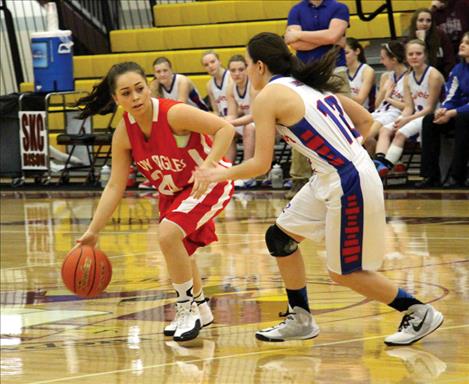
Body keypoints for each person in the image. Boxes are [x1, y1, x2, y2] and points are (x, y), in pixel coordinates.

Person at [193, 32, 444, 345]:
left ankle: (418, 311)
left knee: (344, 273)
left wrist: (215, 173)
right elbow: (366, 123)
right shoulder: (308, 87)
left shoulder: (268, 97)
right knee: (280, 237)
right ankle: (300, 318)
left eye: (246, 63)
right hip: (334, 172)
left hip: (345, 177)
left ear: (258, 66)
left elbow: (260, 165)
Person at [74, 62, 235, 342]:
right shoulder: (124, 133)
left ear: (149, 87)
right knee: (179, 248)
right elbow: (115, 185)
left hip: (210, 180)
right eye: (126, 93)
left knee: (168, 234)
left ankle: (185, 309)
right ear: (116, 99)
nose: (135, 97)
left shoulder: (174, 113)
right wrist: (93, 230)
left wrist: (208, 168)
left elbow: (224, 129)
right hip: (174, 192)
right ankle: (201, 309)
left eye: (139, 89)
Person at [284, 0, 351, 199]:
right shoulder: (296, 9)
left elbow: (332, 35)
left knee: (345, 124)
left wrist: (300, 35)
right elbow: (293, 43)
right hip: (304, 75)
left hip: (334, 72)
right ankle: (300, 180)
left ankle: (350, 174)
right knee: (299, 123)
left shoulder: (339, 7)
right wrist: (326, 38)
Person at [373, 40, 444, 178]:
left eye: (418, 53)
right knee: (392, 129)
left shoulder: (433, 75)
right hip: (416, 115)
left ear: (425, 55)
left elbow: (429, 108)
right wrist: (402, 119)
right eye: (411, 54)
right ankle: (385, 164)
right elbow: (409, 107)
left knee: (402, 133)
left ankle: (384, 166)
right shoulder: (407, 78)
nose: (414, 57)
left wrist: (407, 119)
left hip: (434, 116)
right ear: (406, 57)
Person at [418, 32, 469, 188]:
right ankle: (431, 176)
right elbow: (451, 95)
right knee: (430, 120)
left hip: (464, 115)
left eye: (467, 43)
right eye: (462, 41)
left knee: (463, 119)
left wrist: (453, 113)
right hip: (459, 112)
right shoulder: (458, 69)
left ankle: (457, 175)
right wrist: (444, 109)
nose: (462, 44)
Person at [365, 41, 408, 155]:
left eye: (383, 58)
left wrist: (388, 98)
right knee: (357, 133)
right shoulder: (386, 76)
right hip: (380, 111)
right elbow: (376, 105)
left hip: (395, 113)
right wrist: (384, 90)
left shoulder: (409, 78)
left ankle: (376, 166)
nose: (381, 61)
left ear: (393, 59)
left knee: (368, 137)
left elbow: (408, 107)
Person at [225, 55, 258, 187]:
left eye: (240, 69)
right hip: (248, 123)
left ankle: (247, 172)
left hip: (267, 124)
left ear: (246, 69)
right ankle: (227, 170)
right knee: (226, 130)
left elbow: (254, 116)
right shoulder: (230, 88)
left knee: (249, 127)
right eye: (233, 70)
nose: (237, 73)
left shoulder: (254, 86)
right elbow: (231, 114)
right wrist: (225, 123)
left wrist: (231, 122)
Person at [407, 8, 455, 78]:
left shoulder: (440, 35)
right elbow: (415, 65)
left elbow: (449, 61)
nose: (425, 23)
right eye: (421, 20)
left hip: (440, 77)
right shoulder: (409, 40)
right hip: (418, 78)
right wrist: (421, 41)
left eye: (428, 20)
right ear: (415, 22)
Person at [345, 37, 376, 112]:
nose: (342, 56)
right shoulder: (342, 71)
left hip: (366, 113)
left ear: (357, 51)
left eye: (346, 53)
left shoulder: (367, 71)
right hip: (348, 112)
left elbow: (360, 100)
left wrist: (340, 94)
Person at [202, 50, 232, 118]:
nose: (210, 66)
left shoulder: (231, 77)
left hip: (237, 117)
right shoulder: (209, 85)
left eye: (213, 62)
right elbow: (216, 111)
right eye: (206, 65)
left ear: (219, 61)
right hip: (224, 119)